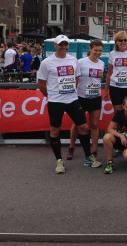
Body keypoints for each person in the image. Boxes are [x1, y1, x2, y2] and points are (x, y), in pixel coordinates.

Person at [37, 35, 96, 173]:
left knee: (84, 127)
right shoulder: (47, 62)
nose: (63, 47)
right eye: (61, 45)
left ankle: (88, 156)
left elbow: (76, 79)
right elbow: (41, 84)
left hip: (72, 99)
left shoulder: (73, 60)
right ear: (55, 46)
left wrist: (70, 92)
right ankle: (59, 160)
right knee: (55, 130)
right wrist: (50, 95)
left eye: (66, 45)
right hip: (55, 101)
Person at [66, 39, 105, 163]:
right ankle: (71, 147)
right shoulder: (81, 62)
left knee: (94, 125)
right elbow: (74, 79)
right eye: (96, 50)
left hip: (95, 97)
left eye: (100, 51)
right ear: (90, 49)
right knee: (77, 125)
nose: (98, 53)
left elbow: (98, 81)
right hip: (81, 97)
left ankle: (94, 151)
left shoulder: (101, 64)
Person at [104, 31, 127, 112]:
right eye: (120, 40)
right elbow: (109, 73)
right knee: (118, 113)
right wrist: (106, 90)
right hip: (115, 88)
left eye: (125, 40)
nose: (123, 42)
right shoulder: (112, 54)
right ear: (116, 42)